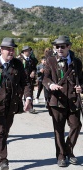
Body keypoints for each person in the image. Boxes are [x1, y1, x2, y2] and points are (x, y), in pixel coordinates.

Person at [0, 37, 32, 170]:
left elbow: (25, 83)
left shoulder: (18, 64)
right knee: (1, 131)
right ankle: (3, 159)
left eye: (12, 49)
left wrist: (28, 98)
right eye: (8, 49)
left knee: (5, 130)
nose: (11, 51)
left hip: (12, 104)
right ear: (1, 50)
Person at [43, 36, 82, 167]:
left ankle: (68, 151)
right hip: (57, 100)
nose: (59, 49)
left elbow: (81, 79)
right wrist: (50, 85)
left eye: (62, 46)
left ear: (68, 47)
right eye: (57, 46)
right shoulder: (50, 61)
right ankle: (61, 156)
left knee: (76, 125)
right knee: (58, 130)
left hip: (73, 100)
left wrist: (80, 87)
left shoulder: (76, 62)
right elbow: (45, 78)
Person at [18, 46, 37, 114]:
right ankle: (19, 107)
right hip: (20, 79)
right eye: (26, 51)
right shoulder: (19, 59)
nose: (28, 52)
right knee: (20, 93)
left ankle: (30, 107)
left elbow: (34, 68)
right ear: (23, 52)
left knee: (30, 93)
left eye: (29, 51)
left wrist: (33, 72)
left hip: (29, 79)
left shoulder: (32, 59)